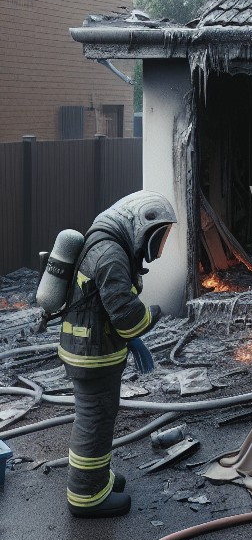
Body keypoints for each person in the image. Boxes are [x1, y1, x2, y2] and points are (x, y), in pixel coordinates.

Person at [58, 191, 176, 518]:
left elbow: (108, 308)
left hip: (92, 349)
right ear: (140, 226)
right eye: (159, 236)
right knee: (95, 419)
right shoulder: (110, 254)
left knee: (102, 416)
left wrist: (131, 338)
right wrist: (151, 314)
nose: (159, 245)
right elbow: (126, 316)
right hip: (93, 355)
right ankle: (86, 495)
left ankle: (99, 478)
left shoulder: (106, 247)